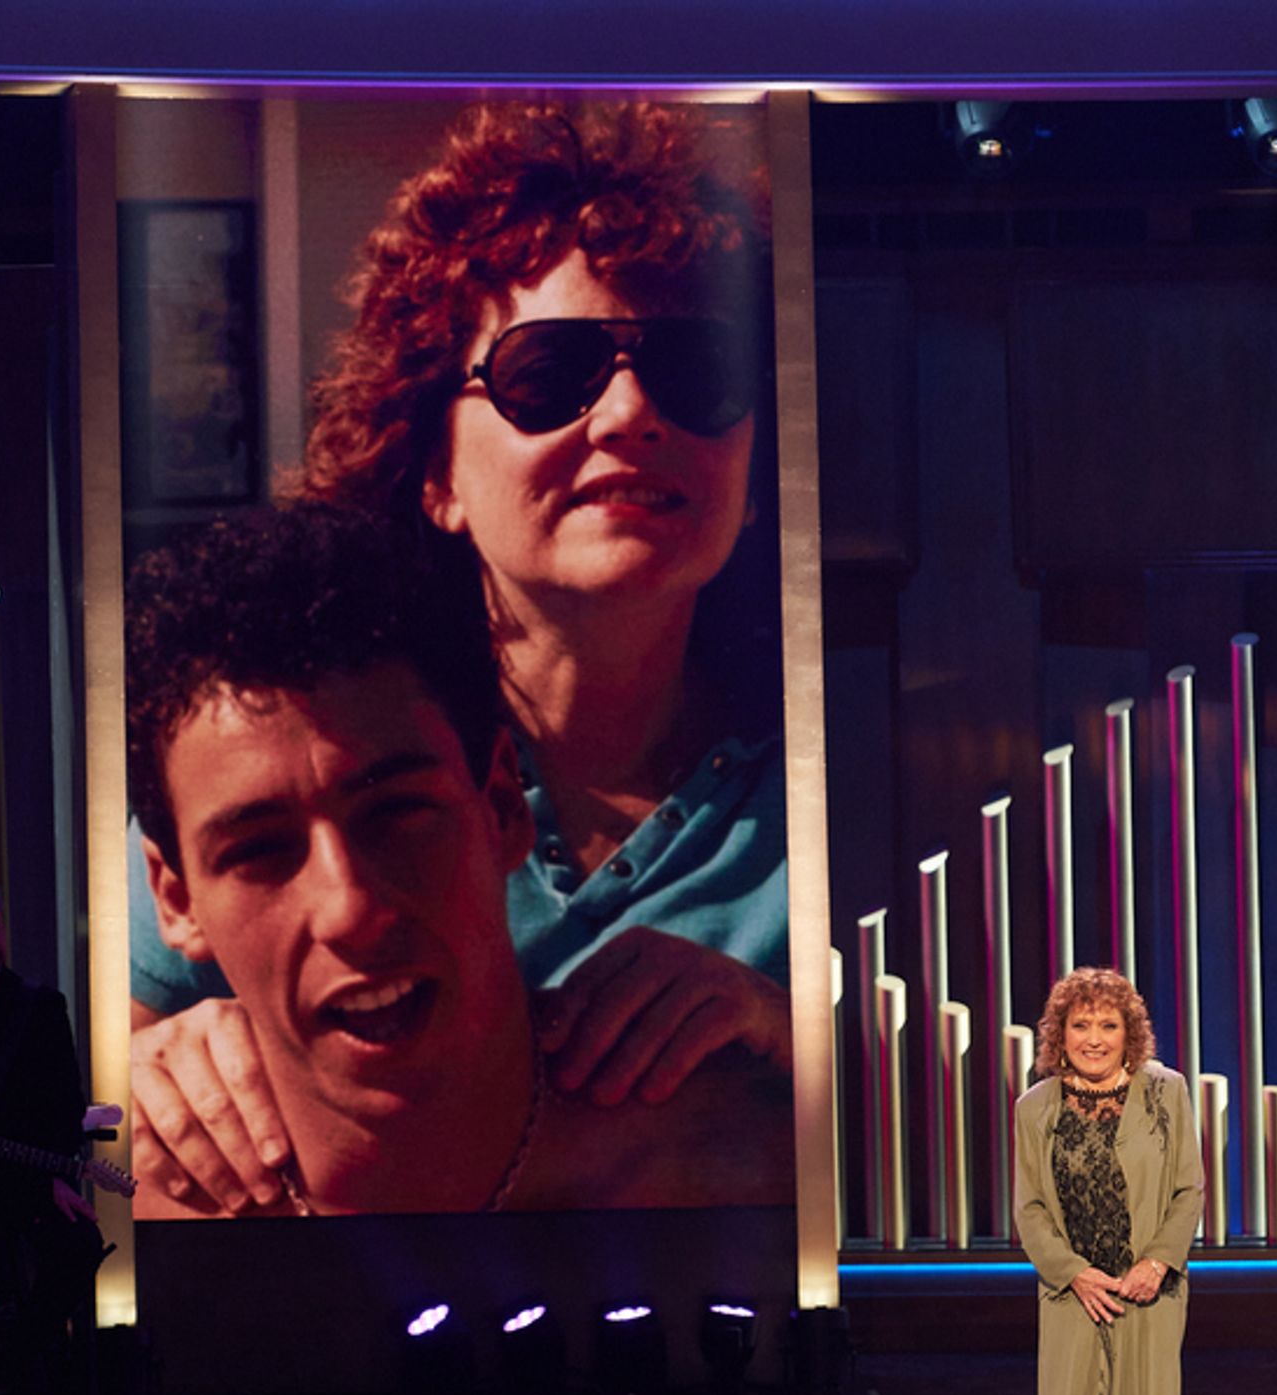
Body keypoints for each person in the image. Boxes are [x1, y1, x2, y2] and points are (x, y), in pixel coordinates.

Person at [127, 100, 790, 1218]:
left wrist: (791, 1041)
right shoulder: (294, 751)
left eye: (694, 368)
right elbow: (80, 1134)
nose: (630, 411)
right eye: (548, 373)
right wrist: (139, 1078)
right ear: (429, 462)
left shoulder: (832, 793)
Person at [126, 505, 791, 1215]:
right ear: (174, 900)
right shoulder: (114, 1226)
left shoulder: (746, 1179)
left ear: (503, 808)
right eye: (260, 850)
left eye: (398, 814)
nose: (350, 907)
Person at [1011, 966, 1204, 1395]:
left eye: (1108, 1025)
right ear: (1059, 1035)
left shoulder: (1167, 1093)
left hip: (1149, 1291)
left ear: (1131, 1034)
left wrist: (1157, 1261)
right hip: (1072, 1295)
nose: (1094, 1038)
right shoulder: (1033, 1107)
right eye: (1081, 1025)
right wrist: (1072, 1272)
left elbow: (1188, 1190)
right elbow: (1031, 1209)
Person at [0, 881, 103, 1395]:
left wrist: (55, 1175)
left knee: (80, 1243)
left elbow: (66, 1108)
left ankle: (18, 1355)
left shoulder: (38, 1009)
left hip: (26, 1184)